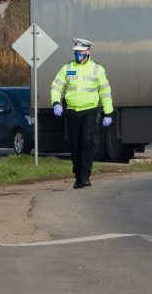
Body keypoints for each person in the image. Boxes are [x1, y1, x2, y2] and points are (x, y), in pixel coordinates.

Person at [51, 38, 114, 189]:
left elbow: (105, 92)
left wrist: (108, 113)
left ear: (87, 52)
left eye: (80, 52)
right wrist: (56, 102)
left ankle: (85, 175)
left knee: (86, 141)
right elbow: (56, 86)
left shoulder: (97, 69)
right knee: (75, 143)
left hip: (89, 110)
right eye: (76, 52)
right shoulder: (67, 68)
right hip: (72, 110)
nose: (78, 55)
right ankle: (78, 174)